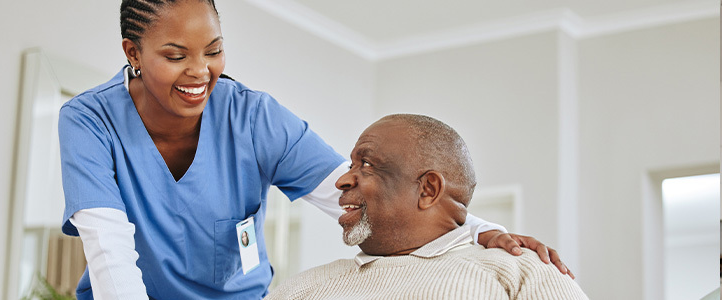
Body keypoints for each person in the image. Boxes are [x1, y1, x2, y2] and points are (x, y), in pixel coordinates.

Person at [58, 0, 571, 299]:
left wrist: (486, 232)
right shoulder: (88, 121)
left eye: (213, 52)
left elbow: (358, 195)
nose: (200, 73)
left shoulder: (252, 117)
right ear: (133, 53)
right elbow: (110, 251)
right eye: (175, 56)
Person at [266, 114, 588, 300]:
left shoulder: (522, 270)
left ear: (428, 189)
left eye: (366, 164)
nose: (341, 180)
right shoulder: (301, 288)